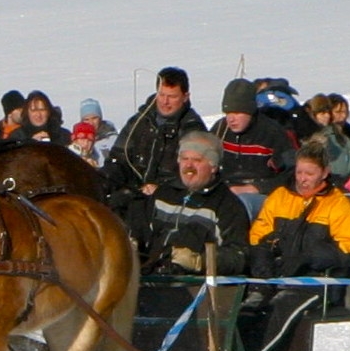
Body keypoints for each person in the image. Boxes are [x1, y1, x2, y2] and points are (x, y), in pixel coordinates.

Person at [245, 149, 350, 351]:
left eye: (309, 173)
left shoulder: (338, 203)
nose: (303, 178)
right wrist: (263, 261)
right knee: (247, 307)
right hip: (276, 276)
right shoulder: (280, 196)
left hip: (318, 282)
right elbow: (258, 234)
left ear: (324, 173)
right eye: (300, 172)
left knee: (278, 310)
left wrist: (308, 256)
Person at [130, 132, 252, 281]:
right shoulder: (163, 193)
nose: (188, 165)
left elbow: (238, 256)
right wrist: (132, 243)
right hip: (151, 280)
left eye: (197, 160)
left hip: (195, 287)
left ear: (213, 167)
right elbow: (139, 230)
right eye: (184, 158)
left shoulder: (228, 205)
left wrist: (199, 262)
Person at [104, 67, 205, 209]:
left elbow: (195, 173)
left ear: (185, 96)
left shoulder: (193, 129)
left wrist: (161, 190)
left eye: (172, 97)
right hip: (132, 192)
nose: (165, 101)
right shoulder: (140, 120)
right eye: (162, 95)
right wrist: (106, 181)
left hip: (170, 200)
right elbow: (119, 157)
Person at [213, 77, 295, 210]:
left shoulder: (272, 132)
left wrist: (257, 187)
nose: (231, 119)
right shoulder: (221, 129)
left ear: (250, 110)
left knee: (242, 204)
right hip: (225, 190)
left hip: (261, 196)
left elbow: (292, 172)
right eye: (228, 113)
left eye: (238, 113)